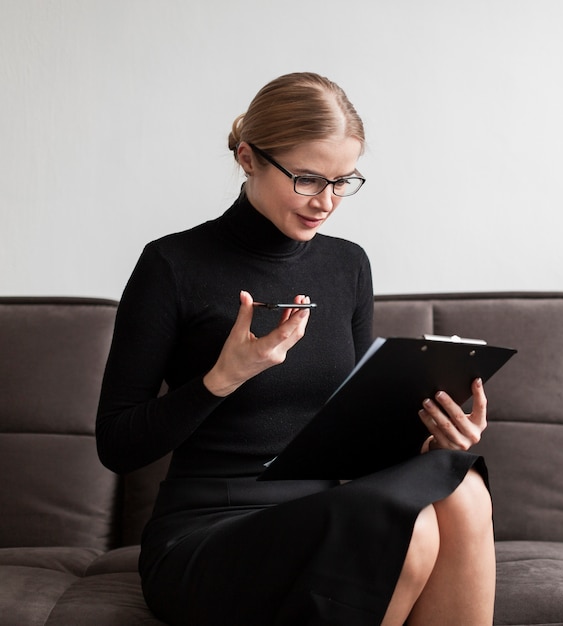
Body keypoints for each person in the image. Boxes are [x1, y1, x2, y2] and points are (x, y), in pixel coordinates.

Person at [96, 72, 495, 626]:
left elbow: (354, 437)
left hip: (325, 511)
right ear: (247, 158)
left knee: (463, 483)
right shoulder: (171, 266)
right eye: (307, 179)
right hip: (206, 531)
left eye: (343, 181)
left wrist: (434, 440)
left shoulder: (346, 265)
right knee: (407, 526)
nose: (326, 201)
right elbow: (116, 446)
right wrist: (223, 378)